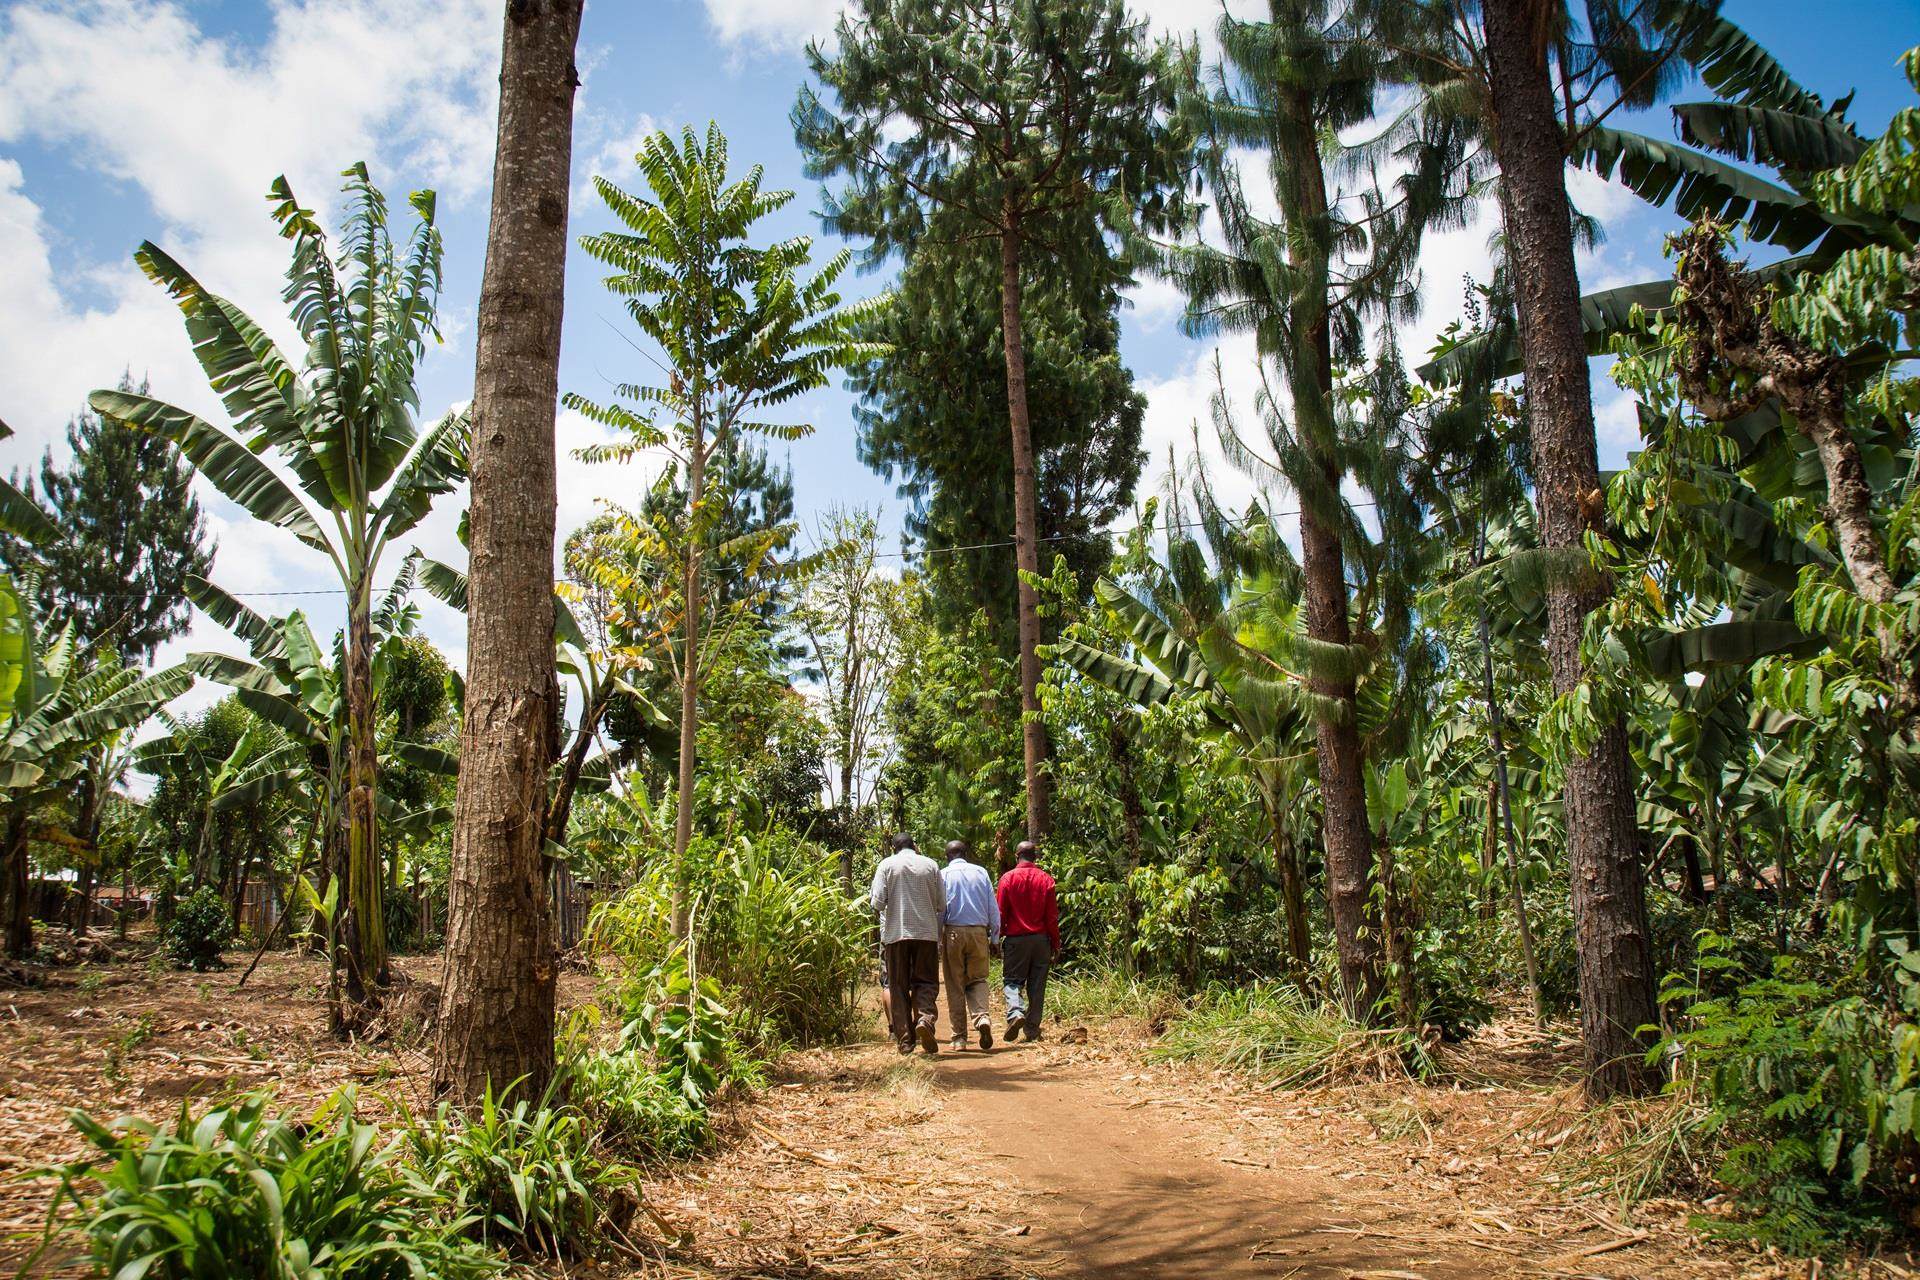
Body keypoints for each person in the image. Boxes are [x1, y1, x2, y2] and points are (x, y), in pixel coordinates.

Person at [870, 833, 945, 1054]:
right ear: (914, 846)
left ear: (894, 848)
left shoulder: (886, 865)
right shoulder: (931, 865)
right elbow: (941, 903)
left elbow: (877, 903)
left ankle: (905, 1041)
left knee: (898, 986)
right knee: (927, 982)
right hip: (926, 934)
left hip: (896, 936)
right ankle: (924, 1019)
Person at [995, 840, 1059, 1042]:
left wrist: (997, 937)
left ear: (1017, 856)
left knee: (1013, 981)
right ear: (1035, 857)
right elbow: (1051, 917)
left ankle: (1015, 1013)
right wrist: (1056, 943)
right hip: (1041, 940)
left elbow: (1001, 912)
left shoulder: (1007, 879)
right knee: (1037, 985)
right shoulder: (1046, 879)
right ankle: (1031, 1029)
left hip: (1016, 940)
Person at [939, 839, 1000, 1051]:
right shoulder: (981, 872)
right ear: (966, 854)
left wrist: (939, 939)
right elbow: (993, 906)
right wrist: (994, 938)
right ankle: (982, 1017)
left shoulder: (944, 874)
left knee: (955, 984)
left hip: (953, 931)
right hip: (978, 932)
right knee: (978, 979)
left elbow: (940, 909)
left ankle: (959, 1038)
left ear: (948, 857)